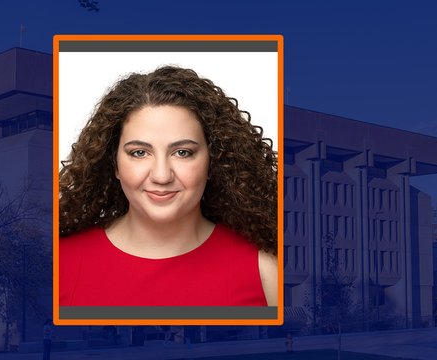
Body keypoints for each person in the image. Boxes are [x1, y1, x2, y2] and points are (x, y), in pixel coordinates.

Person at [59, 66, 278, 306]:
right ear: (115, 164)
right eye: (140, 152)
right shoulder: (60, 264)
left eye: (182, 152)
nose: (162, 176)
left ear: (213, 160)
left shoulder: (264, 269)